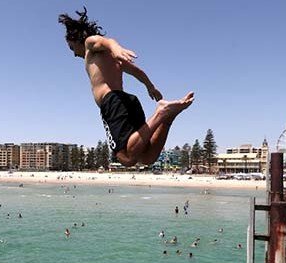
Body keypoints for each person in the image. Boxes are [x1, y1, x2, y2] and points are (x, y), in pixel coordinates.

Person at [58, 8, 194, 167]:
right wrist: (150, 87)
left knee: (126, 157)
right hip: (128, 101)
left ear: (77, 39)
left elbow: (107, 41)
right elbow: (137, 71)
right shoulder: (113, 58)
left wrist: (116, 48)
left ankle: (161, 112)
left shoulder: (90, 46)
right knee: (147, 157)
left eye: (72, 48)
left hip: (112, 102)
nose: (74, 54)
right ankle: (167, 119)